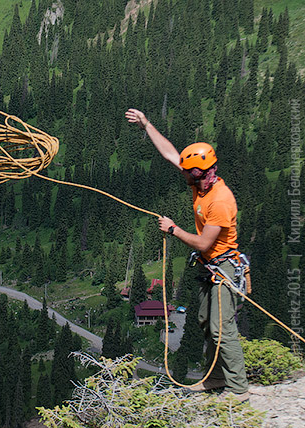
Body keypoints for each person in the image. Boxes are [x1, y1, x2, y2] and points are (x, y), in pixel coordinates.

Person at [125, 108, 249, 401]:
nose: (188, 178)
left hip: (224, 268)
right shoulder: (200, 181)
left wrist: (173, 230)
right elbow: (171, 154)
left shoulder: (219, 201)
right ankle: (216, 377)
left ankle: (238, 389)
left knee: (221, 330)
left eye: (191, 175)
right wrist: (147, 124)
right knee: (207, 322)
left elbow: (205, 244)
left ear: (205, 172)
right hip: (211, 268)